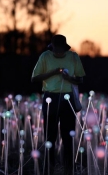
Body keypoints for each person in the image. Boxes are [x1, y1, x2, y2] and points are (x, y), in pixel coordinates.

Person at [31, 34, 86, 175]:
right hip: (51, 98)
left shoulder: (73, 57)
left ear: (65, 47)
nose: (59, 52)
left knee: (68, 136)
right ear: (52, 47)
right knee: (50, 136)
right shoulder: (45, 57)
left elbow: (80, 79)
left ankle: (69, 169)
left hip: (68, 100)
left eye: (61, 49)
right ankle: (49, 168)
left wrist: (69, 78)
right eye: (57, 49)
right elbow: (34, 78)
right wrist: (53, 73)